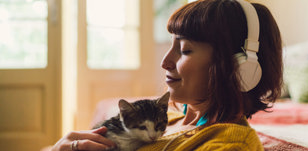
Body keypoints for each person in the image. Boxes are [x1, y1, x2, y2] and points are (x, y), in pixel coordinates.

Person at [51, 0, 282, 150]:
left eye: (185, 50)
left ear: (239, 68)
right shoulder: (168, 118)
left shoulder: (231, 143)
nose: (165, 62)